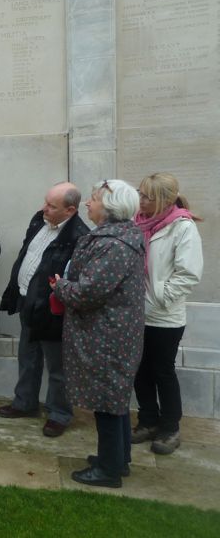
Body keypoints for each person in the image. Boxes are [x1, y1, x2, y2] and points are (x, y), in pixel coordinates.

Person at [51, 179, 145, 488]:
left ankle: (108, 469)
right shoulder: (118, 238)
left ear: (110, 207)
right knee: (114, 400)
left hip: (107, 335)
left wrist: (60, 286)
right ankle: (118, 459)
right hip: (113, 331)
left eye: (93, 199)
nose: (88, 204)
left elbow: (89, 291)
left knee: (107, 402)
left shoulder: (113, 244)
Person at [0, 182, 89, 437]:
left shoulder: (78, 236)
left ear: (70, 210)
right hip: (28, 301)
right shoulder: (40, 221)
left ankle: (59, 413)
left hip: (52, 308)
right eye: (45, 202)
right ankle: (24, 402)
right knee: (28, 357)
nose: (43, 208)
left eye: (51, 205)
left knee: (58, 366)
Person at [132, 172, 203, 455]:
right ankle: (148, 420)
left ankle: (170, 427)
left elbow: (188, 274)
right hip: (138, 314)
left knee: (162, 371)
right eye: (140, 194)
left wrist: (160, 298)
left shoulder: (182, 228)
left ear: (162, 200)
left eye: (146, 196)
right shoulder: (137, 224)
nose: (140, 200)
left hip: (164, 316)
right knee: (140, 371)